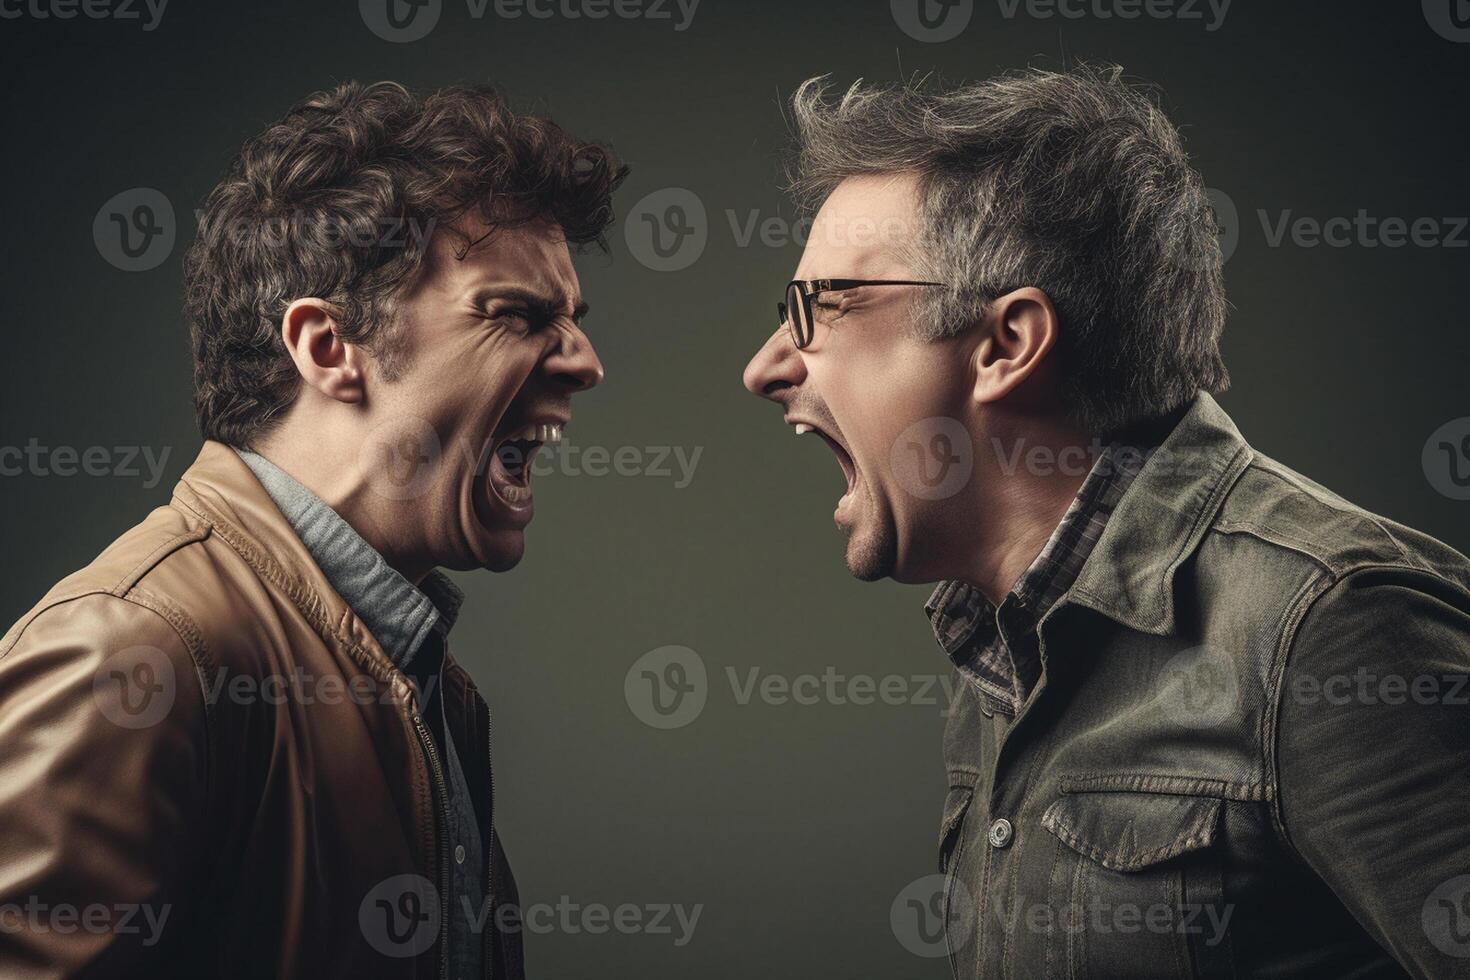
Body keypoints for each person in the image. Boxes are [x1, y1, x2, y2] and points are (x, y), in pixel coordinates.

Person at [743, 66, 1470, 978]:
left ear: (1007, 343)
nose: (767, 366)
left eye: (822, 308)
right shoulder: (1004, 649)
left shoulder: (1330, 629)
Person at [0, 80, 625, 978]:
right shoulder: (134, 651)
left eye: (571, 319)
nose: (586, 362)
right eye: (518, 315)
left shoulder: (423, 683)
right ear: (330, 349)